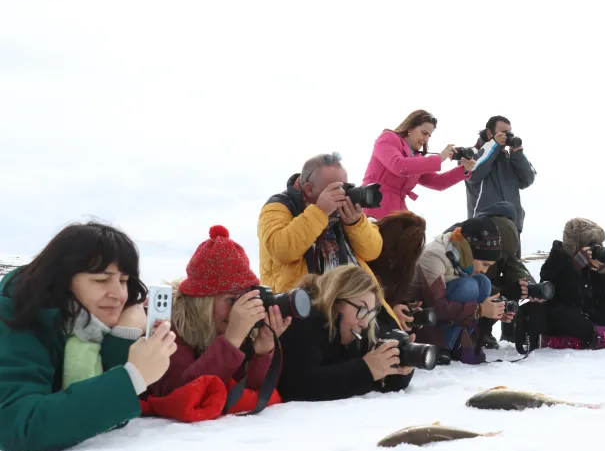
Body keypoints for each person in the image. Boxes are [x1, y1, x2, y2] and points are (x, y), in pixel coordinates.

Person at [0, 222, 177, 451]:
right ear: (62, 281)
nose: (119, 295)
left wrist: (122, 336)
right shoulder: (15, 314)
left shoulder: (91, 326)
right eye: (101, 280)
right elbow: (21, 426)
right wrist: (132, 377)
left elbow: (105, 421)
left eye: (124, 281)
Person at [147, 225, 292, 399]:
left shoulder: (230, 325)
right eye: (231, 300)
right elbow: (182, 394)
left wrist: (263, 350)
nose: (240, 309)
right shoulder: (170, 325)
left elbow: (247, 393)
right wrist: (231, 340)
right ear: (203, 303)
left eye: (245, 298)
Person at [257, 152, 401, 327]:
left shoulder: (342, 209)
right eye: (335, 190)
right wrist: (320, 211)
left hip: (353, 304)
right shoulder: (279, 206)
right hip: (302, 308)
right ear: (309, 189)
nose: (342, 195)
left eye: (345, 187)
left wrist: (355, 223)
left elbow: (373, 251)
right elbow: (282, 250)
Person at [277, 266, 414, 401]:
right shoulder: (303, 321)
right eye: (362, 309)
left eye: (369, 313)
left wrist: (399, 365)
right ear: (336, 301)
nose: (365, 323)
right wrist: (366, 370)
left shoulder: (353, 330)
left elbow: (379, 382)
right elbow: (298, 386)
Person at [407, 216, 508, 364]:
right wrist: (479, 310)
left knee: (483, 283)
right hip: (417, 319)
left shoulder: (459, 252)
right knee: (470, 286)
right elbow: (437, 306)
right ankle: (440, 346)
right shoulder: (435, 256)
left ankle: (459, 343)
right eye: (485, 264)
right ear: (470, 252)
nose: (485, 270)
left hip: (437, 314)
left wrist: (496, 309)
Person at [447, 201, 546, 349]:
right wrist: (497, 298)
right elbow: (457, 276)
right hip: (458, 290)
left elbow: (514, 267)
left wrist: (529, 286)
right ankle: (463, 335)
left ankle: (485, 332)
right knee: (474, 288)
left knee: (515, 286)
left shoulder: (504, 239)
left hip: (481, 288)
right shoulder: (464, 235)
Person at [538, 218, 605, 350]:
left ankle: (582, 339)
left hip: (595, 316)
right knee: (568, 318)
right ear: (575, 246)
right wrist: (574, 267)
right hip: (570, 317)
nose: (595, 249)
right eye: (590, 245)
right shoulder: (557, 260)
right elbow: (549, 291)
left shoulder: (597, 262)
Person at [360, 110, 475, 221]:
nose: (426, 139)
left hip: (398, 213)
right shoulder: (388, 138)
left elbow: (438, 182)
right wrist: (439, 158)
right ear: (410, 127)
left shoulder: (416, 158)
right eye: (424, 133)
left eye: (429, 136)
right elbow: (399, 166)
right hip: (374, 206)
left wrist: (464, 169)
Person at [464, 115, 536, 252]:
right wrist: (494, 146)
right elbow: (473, 174)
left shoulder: (510, 158)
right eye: (503, 133)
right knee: (487, 266)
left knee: (513, 266)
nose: (507, 137)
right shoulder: (471, 153)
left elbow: (528, 179)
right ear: (489, 133)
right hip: (484, 227)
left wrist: (518, 155)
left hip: (512, 227)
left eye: (509, 133)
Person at [366, 210, 428, 333]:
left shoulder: (395, 265)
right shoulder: (365, 254)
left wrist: (403, 307)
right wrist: (390, 312)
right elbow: (361, 300)